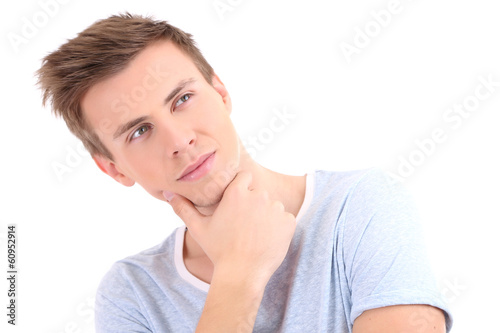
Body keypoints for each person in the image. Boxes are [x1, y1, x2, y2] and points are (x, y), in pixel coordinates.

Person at [36, 13, 453, 333]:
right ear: (113, 169)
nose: (179, 140)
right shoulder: (132, 293)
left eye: (182, 99)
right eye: (140, 131)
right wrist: (240, 274)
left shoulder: (360, 208)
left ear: (220, 92)